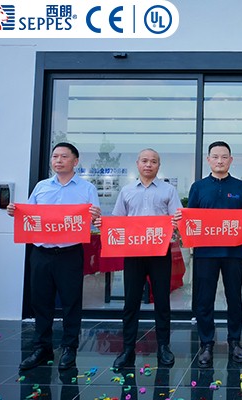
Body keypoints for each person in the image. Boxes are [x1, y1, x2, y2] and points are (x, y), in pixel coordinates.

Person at [7, 143, 101, 371]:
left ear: (75, 161)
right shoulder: (41, 187)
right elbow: (29, 215)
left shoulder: (87, 188)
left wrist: (96, 217)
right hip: (41, 253)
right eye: (55, 156)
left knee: (71, 303)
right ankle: (42, 348)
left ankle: (69, 348)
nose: (58, 160)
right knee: (41, 302)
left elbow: (94, 222)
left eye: (64, 156)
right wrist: (15, 212)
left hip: (70, 254)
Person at [97, 149, 182, 369]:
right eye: (145, 161)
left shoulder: (168, 190)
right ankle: (127, 349)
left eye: (153, 161)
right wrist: (103, 225)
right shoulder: (126, 191)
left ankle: (163, 347)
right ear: (137, 163)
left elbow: (178, 219)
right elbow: (117, 220)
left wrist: (175, 224)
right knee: (131, 302)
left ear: (158, 165)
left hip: (160, 253)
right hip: (133, 253)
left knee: (162, 302)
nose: (148, 165)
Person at [188, 141, 242, 368]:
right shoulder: (198, 187)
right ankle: (206, 343)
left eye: (224, 157)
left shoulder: (240, 187)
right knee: (204, 300)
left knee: (234, 298)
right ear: (208, 160)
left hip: (233, 252)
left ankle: (234, 341)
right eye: (215, 157)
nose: (219, 161)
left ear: (230, 160)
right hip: (205, 253)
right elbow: (191, 218)